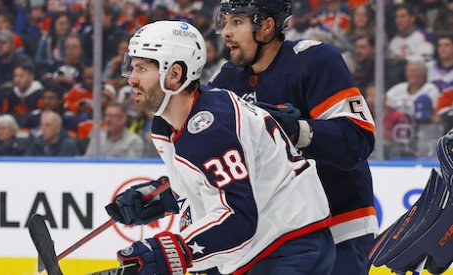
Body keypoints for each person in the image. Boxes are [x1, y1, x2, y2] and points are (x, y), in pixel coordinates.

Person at [106, 20, 334, 275]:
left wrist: (172, 252)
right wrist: (161, 196)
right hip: (260, 250)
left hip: (289, 247)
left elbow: (238, 219)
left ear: (174, 75)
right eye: (131, 66)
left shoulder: (212, 128)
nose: (131, 79)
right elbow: (220, 180)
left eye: (142, 68)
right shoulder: (168, 122)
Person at [210, 1, 376, 274]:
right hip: (273, 236)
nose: (225, 32)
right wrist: (162, 195)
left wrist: (297, 131)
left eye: (237, 22)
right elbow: (212, 160)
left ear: (266, 26)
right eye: (224, 21)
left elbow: (358, 140)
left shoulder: (314, 61)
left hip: (338, 226)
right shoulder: (226, 81)